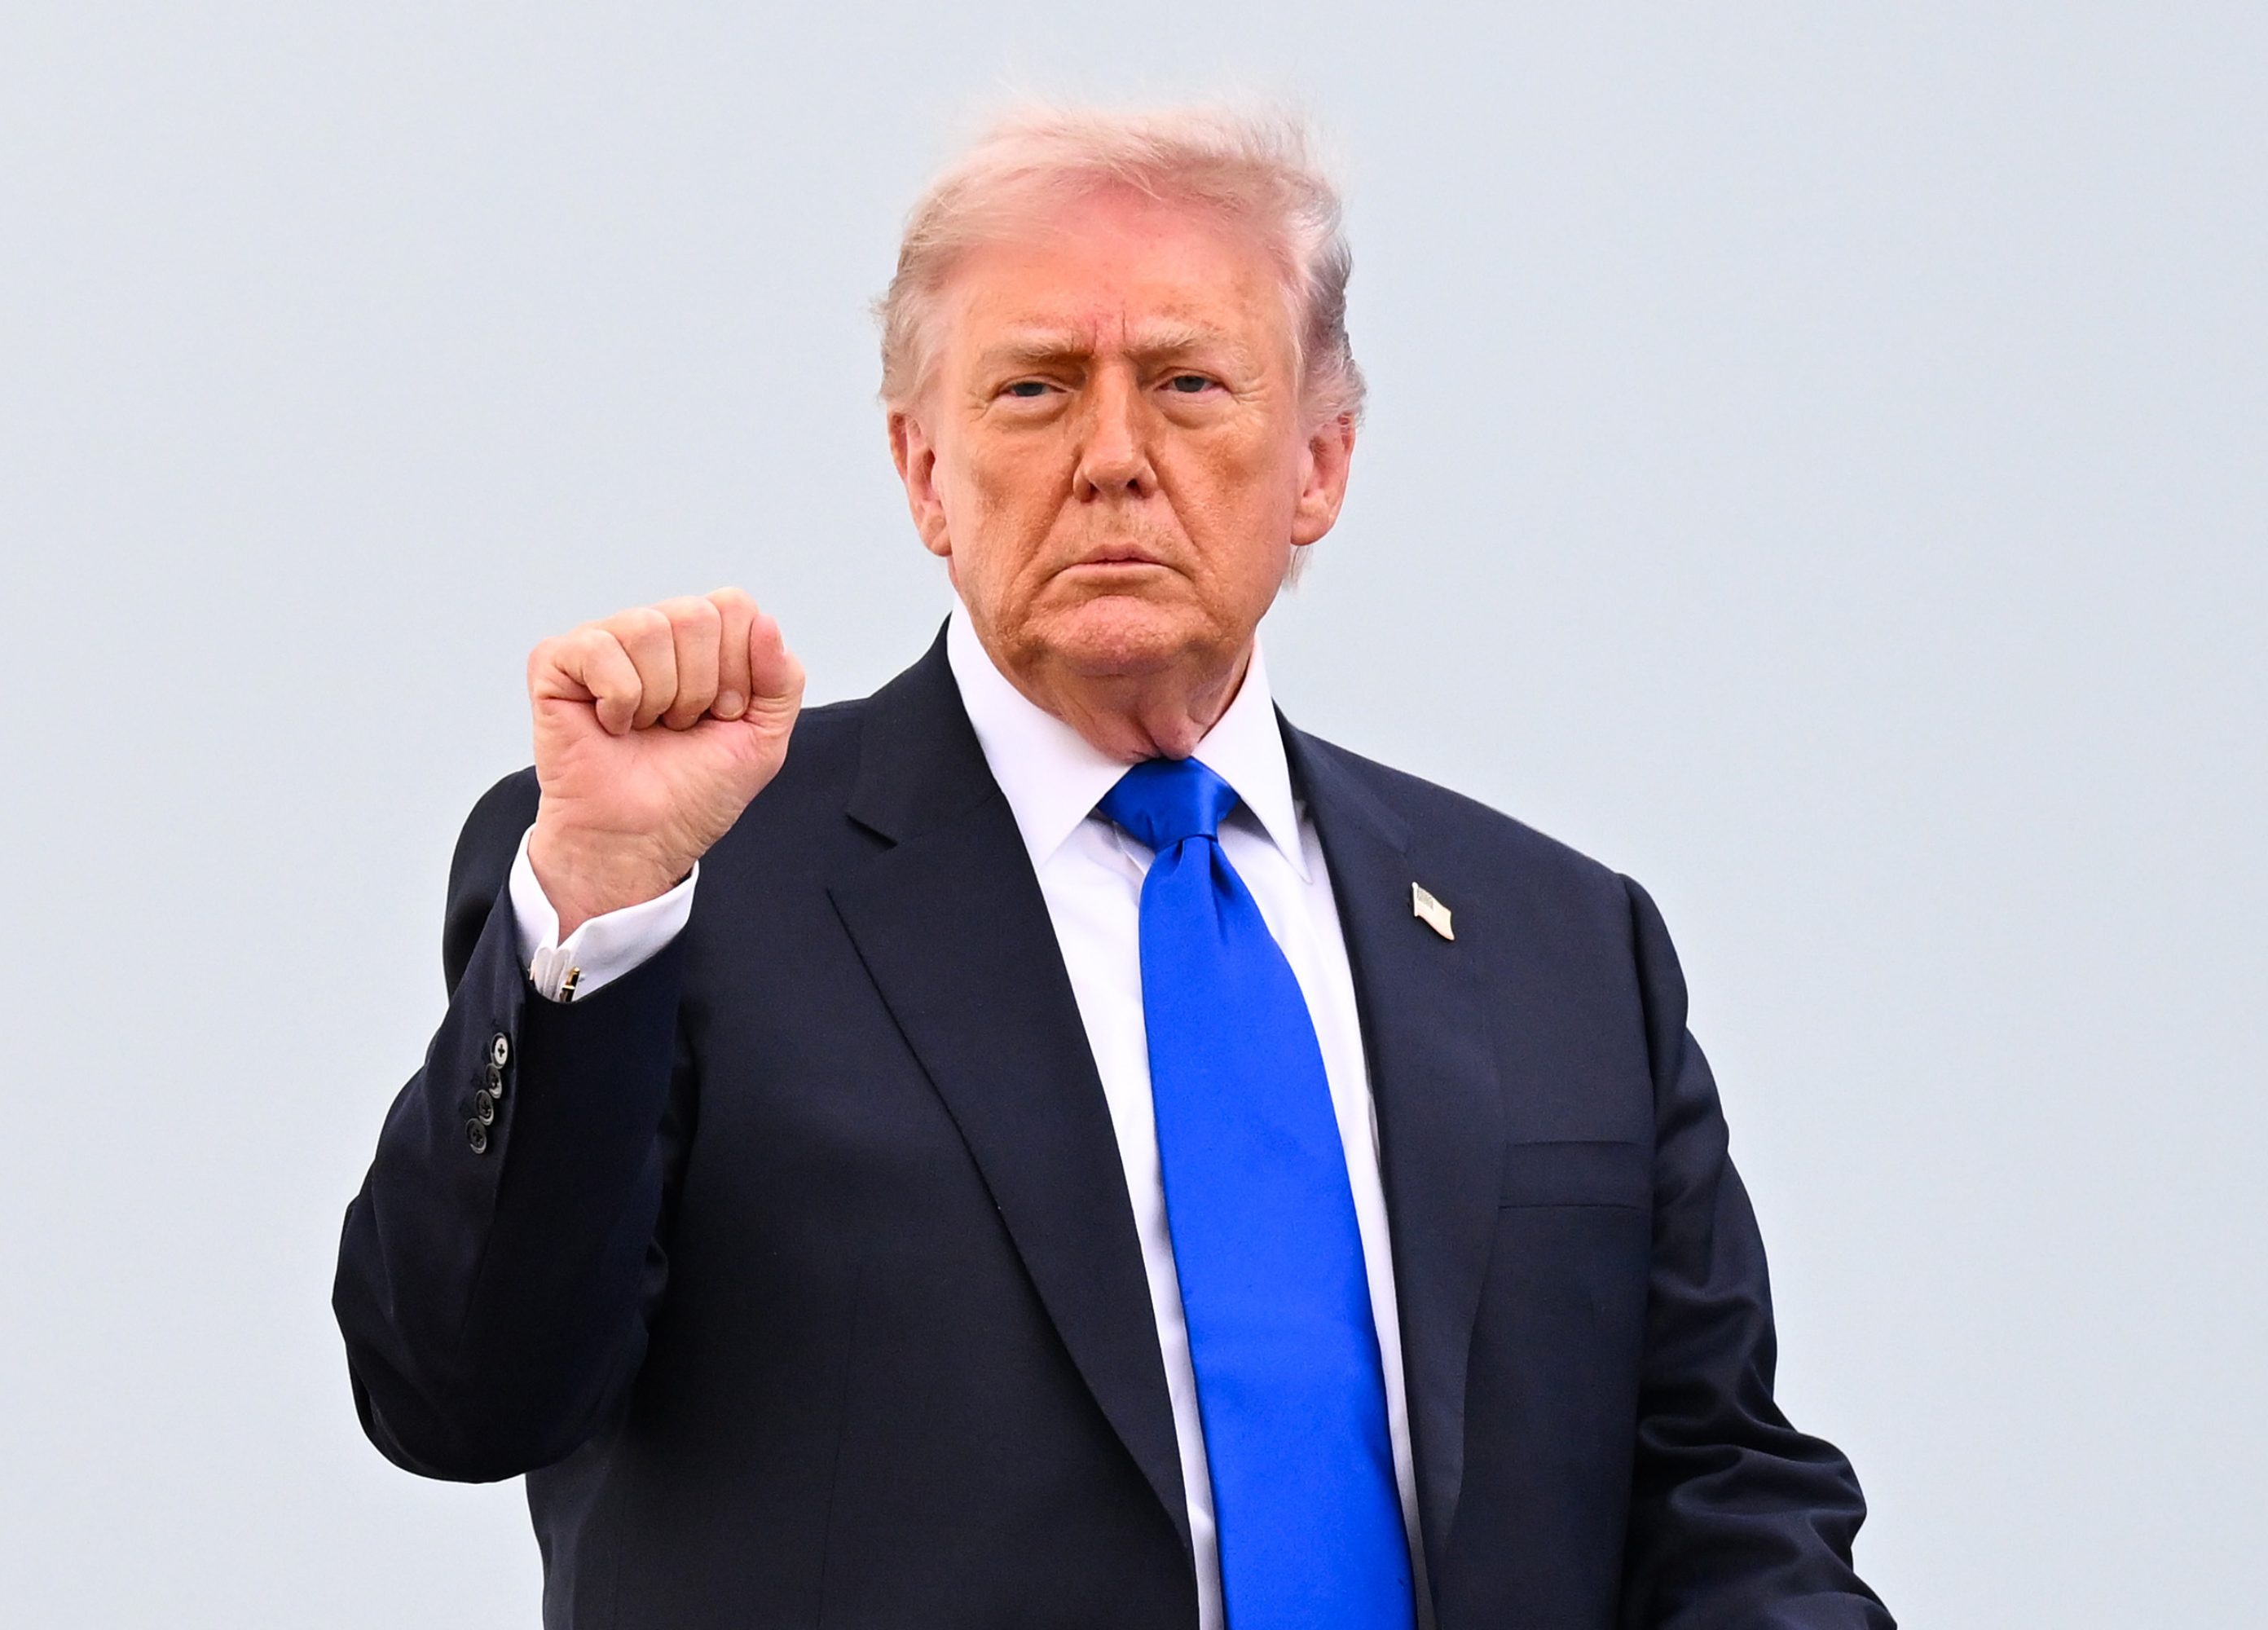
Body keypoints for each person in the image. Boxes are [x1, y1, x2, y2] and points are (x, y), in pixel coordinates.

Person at [332, 104, 1892, 1630]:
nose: (1114, 458)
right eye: (1033, 389)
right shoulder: (691, 886)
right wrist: (600, 898)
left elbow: (1714, 1488)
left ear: (1321, 465)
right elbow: (462, 1393)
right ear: (924, 471)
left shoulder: (1564, 945)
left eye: (1190, 382)